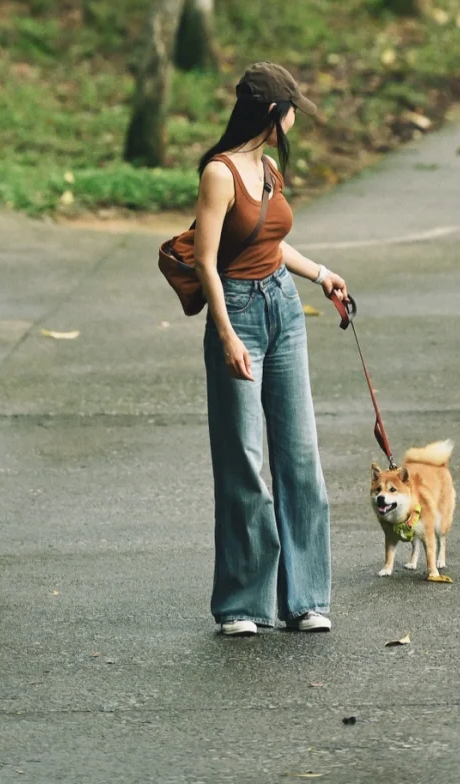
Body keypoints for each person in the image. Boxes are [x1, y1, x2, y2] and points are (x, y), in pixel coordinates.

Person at [193, 61, 349, 637]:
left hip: (284, 309)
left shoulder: (269, 169)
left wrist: (322, 274)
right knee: (244, 461)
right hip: (237, 312)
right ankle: (242, 603)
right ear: (272, 114)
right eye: (291, 111)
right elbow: (206, 259)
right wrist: (228, 333)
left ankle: (305, 599)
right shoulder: (220, 173)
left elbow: (273, 243)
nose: (294, 121)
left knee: (300, 455)